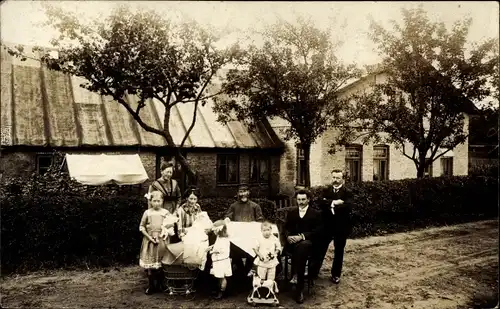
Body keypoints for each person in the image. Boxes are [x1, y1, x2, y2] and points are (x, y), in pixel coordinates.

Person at [311, 169, 353, 284]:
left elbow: (348, 207)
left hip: (341, 227)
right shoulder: (326, 190)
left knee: (339, 251)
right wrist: (335, 203)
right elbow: (320, 203)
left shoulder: (347, 192)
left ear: (342, 179)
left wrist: (329, 203)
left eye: (338, 178)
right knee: (320, 248)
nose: (335, 180)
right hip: (327, 225)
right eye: (333, 177)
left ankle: (335, 275)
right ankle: (313, 272)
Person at [283, 189, 323, 304]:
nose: (300, 202)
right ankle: (297, 275)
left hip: (309, 244)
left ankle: (298, 286)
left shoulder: (316, 214)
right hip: (292, 244)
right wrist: (288, 237)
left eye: (303, 199)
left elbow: (318, 231)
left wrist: (302, 236)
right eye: (299, 199)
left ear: (308, 200)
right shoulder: (292, 213)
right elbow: (286, 228)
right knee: (299, 249)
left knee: (303, 246)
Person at [223, 184, 264, 278]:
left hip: (251, 237)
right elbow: (228, 216)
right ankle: (241, 272)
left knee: (254, 249)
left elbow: (260, 221)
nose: (243, 194)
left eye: (245, 191)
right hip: (237, 238)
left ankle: (248, 270)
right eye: (241, 192)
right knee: (232, 248)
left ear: (248, 193)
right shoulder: (233, 206)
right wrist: (227, 219)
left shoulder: (255, 206)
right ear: (237, 193)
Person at [139, 191, 170, 294]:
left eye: (159, 201)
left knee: (162, 264)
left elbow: (170, 226)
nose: (156, 203)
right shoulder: (147, 213)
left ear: (162, 201)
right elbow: (141, 226)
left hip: (162, 240)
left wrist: (165, 232)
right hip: (150, 241)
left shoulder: (165, 212)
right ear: (150, 201)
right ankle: (151, 285)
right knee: (151, 266)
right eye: (154, 201)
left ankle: (161, 284)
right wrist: (149, 237)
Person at [252, 221, 282, 293]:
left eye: (268, 230)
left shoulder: (274, 238)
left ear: (271, 230)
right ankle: (260, 290)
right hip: (262, 262)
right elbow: (255, 248)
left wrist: (275, 253)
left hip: (271, 262)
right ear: (261, 231)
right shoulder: (259, 238)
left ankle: (270, 291)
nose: (266, 232)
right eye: (264, 230)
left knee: (271, 277)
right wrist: (259, 254)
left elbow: (278, 247)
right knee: (261, 276)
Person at [207, 220, 232, 300]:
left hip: (222, 260)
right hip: (219, 260)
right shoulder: (220, 237)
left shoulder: (224, 239)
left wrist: (212, 251)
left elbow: (221, 249)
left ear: (219, 230)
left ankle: (222, 292)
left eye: (214, 230)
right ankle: (219, 290)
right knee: (219, 276)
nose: (214, 232)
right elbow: (217, 245)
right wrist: (212, 246)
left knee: (222, 277)